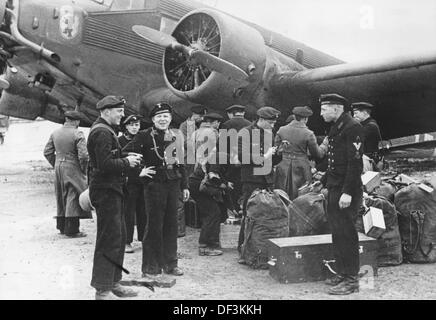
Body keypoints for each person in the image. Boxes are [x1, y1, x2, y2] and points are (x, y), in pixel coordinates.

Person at [124, 103, 189, 279]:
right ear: (153, 119)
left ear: (170, 118)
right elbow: (124, 154)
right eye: (159, 116)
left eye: (165, 116)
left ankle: (171, 264)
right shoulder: (144, 136)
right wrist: (139, 173)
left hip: (173, 184)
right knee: (153, 226)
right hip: (154, 185)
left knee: (171, 225)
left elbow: (181, 162)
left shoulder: (175, 135)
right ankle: (150, 267)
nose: (162, 119)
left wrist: (185, 186)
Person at [87, 95, 142, 300]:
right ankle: (102, 290)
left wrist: (126, 159)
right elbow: (104, 165)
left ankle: (113, 282)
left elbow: (107, 161)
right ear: (106, 111)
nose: (122, 115)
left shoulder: (105, 129)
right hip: (106, 191)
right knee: (109, 239)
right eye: (119, 111)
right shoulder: (102, 132)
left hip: (112, 190)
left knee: (118, 237)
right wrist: (127, 162)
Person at [319, 93, 364, 295]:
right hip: (336, 187)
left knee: (347, 234)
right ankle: (343, 273)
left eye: (324, 109)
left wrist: (347, 193)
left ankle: (351, 279)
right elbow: (335, 162)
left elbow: (354, 164)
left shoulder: (353, 127)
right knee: (338, 233)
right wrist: (323, 182)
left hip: (347, 190)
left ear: (336, 108)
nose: (321, 113)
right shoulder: (337, 127)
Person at [237, 106, 282, 257]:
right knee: (249, 213)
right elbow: (242, 158)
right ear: (261, 120)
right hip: (251, 179)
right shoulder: (246, 132)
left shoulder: (270, 133)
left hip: (267, 179)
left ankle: (260, 247)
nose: (273, 126)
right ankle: (243, 248)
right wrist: (265, 156)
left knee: (265, 214)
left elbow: (273, 160)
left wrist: (278, 153)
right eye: (270, 122)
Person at [43, 110, 91, 237]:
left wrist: (57, 163)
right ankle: (72, 230)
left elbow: (47, 152)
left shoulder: (55, 133)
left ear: (66, 120)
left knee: (61, 195)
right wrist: (83, 169)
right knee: (73, 194)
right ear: (76, 121)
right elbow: (84, 156)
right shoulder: (77, 133)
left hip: (59, 166)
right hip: (73, 167)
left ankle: (61, 227)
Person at [274, 106, 327, 200]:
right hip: (301, 168)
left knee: (281, 195)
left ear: (294, 116)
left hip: (283, 166)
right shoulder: (308, 133)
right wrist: (325, 144)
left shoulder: (281, 130)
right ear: (306, 119)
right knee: (301, 195)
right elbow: (318, 154)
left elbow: (277, 150)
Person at [189, 152, 235, 256]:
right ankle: (204, 246)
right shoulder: (221, 158)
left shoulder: (225, 160)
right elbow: (213, 175)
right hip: (198, 186)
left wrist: (231, 207)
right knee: (212, 213)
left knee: (216, 212)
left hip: (200, 186)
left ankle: (213, 243)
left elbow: (223, 186)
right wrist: (224, 184)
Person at [118, 115, 146, 253]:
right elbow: (117, 157)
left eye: (137, 125)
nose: (135, 127)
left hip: (143, 180)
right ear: (126, 126)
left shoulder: (143, 138)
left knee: (143, 211)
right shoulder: (120, 141)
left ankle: (144, 239)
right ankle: (126, 242)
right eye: (132, 125)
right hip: (129, 181)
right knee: (128, 212)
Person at [220, 105, 252, 213]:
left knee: (231, 185)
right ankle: (243, 208)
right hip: (245, 159)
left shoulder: (226, 125)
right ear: (243, 113)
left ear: (231, 114)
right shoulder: (250, 124)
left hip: (230, 160)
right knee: (243, 184)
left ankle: (233, 208)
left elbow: (222, 145)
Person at [351, 102, 383, 172]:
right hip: (365, 159)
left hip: (368, 161)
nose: (354, 116)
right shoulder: (365, 125)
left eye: (356, 113)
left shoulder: (370, 126)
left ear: (365, 113)